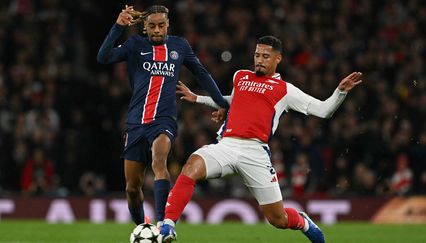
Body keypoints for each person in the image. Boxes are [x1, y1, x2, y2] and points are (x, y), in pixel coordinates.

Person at [160, 36, 362, 243]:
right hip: (226, 145)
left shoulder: (286, 90)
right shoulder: (241, 76)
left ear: (278, 59)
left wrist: (340, 92)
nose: (259, 60)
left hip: (255, 153)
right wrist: (199, 98)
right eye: (257, 55)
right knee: (191, 166)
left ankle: (303, 222)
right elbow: (233, 100)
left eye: (266, 56)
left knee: (278, 219)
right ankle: (167, 226)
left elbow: (324, 110)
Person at [97, 5, 229, 227]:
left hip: (164, 120)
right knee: (132, 188)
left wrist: (223, 104)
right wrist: (118, 26)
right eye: (152, 26)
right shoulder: (134, 45)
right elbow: (103, 57)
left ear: (168, 24)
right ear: (145, 28)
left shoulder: (180, 46)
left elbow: (202, 74)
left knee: (160, 161)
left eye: (161, 25)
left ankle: (162, 224)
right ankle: (141, 228)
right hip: (136, 122)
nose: (157, 30)